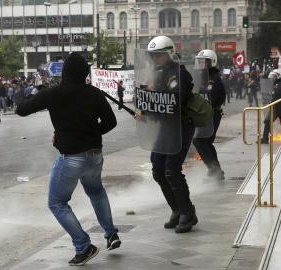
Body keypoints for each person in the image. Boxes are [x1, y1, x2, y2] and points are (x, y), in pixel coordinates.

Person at [16, 52, 120, 266]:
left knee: (57, 203)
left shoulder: (54, 93)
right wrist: (91, 133)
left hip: (72, 158)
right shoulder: (95, 93)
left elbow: (22, 110)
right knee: (96, 191)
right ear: (85, 72)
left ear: (64, 72)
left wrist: (34, 92)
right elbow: (110, 122)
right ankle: (111, 234)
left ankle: (83, 246)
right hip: (95, 155)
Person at [145, 36, 198, 233]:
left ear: (169, 53)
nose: (154, 59)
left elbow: (173, 101)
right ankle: (176, 209)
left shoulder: (179, 75)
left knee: (172, 170)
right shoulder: (160, 75)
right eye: (152, 56)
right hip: (166, 128)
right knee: (158, 170)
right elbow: (156, 103)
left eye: (158, 55)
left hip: (181, 126)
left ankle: (188, 212)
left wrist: (153, 93)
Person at [192, 49, 226, 181]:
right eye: (199, 60)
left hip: (211, 115)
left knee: (202, 141)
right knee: (203, 142)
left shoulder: (213, 79)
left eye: (204, 61)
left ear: (211, 62)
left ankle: (215, 171)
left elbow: (210, 97)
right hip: (206, 115)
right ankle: (215, 171)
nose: (201, 63)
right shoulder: (205, 76)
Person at [260, 69, 281, 145]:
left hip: (277, 106)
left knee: (268, 121)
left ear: (278, 76)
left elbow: (275, 96)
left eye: (274, 76)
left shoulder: (278, 85)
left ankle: (265, 138)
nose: (272, 78)